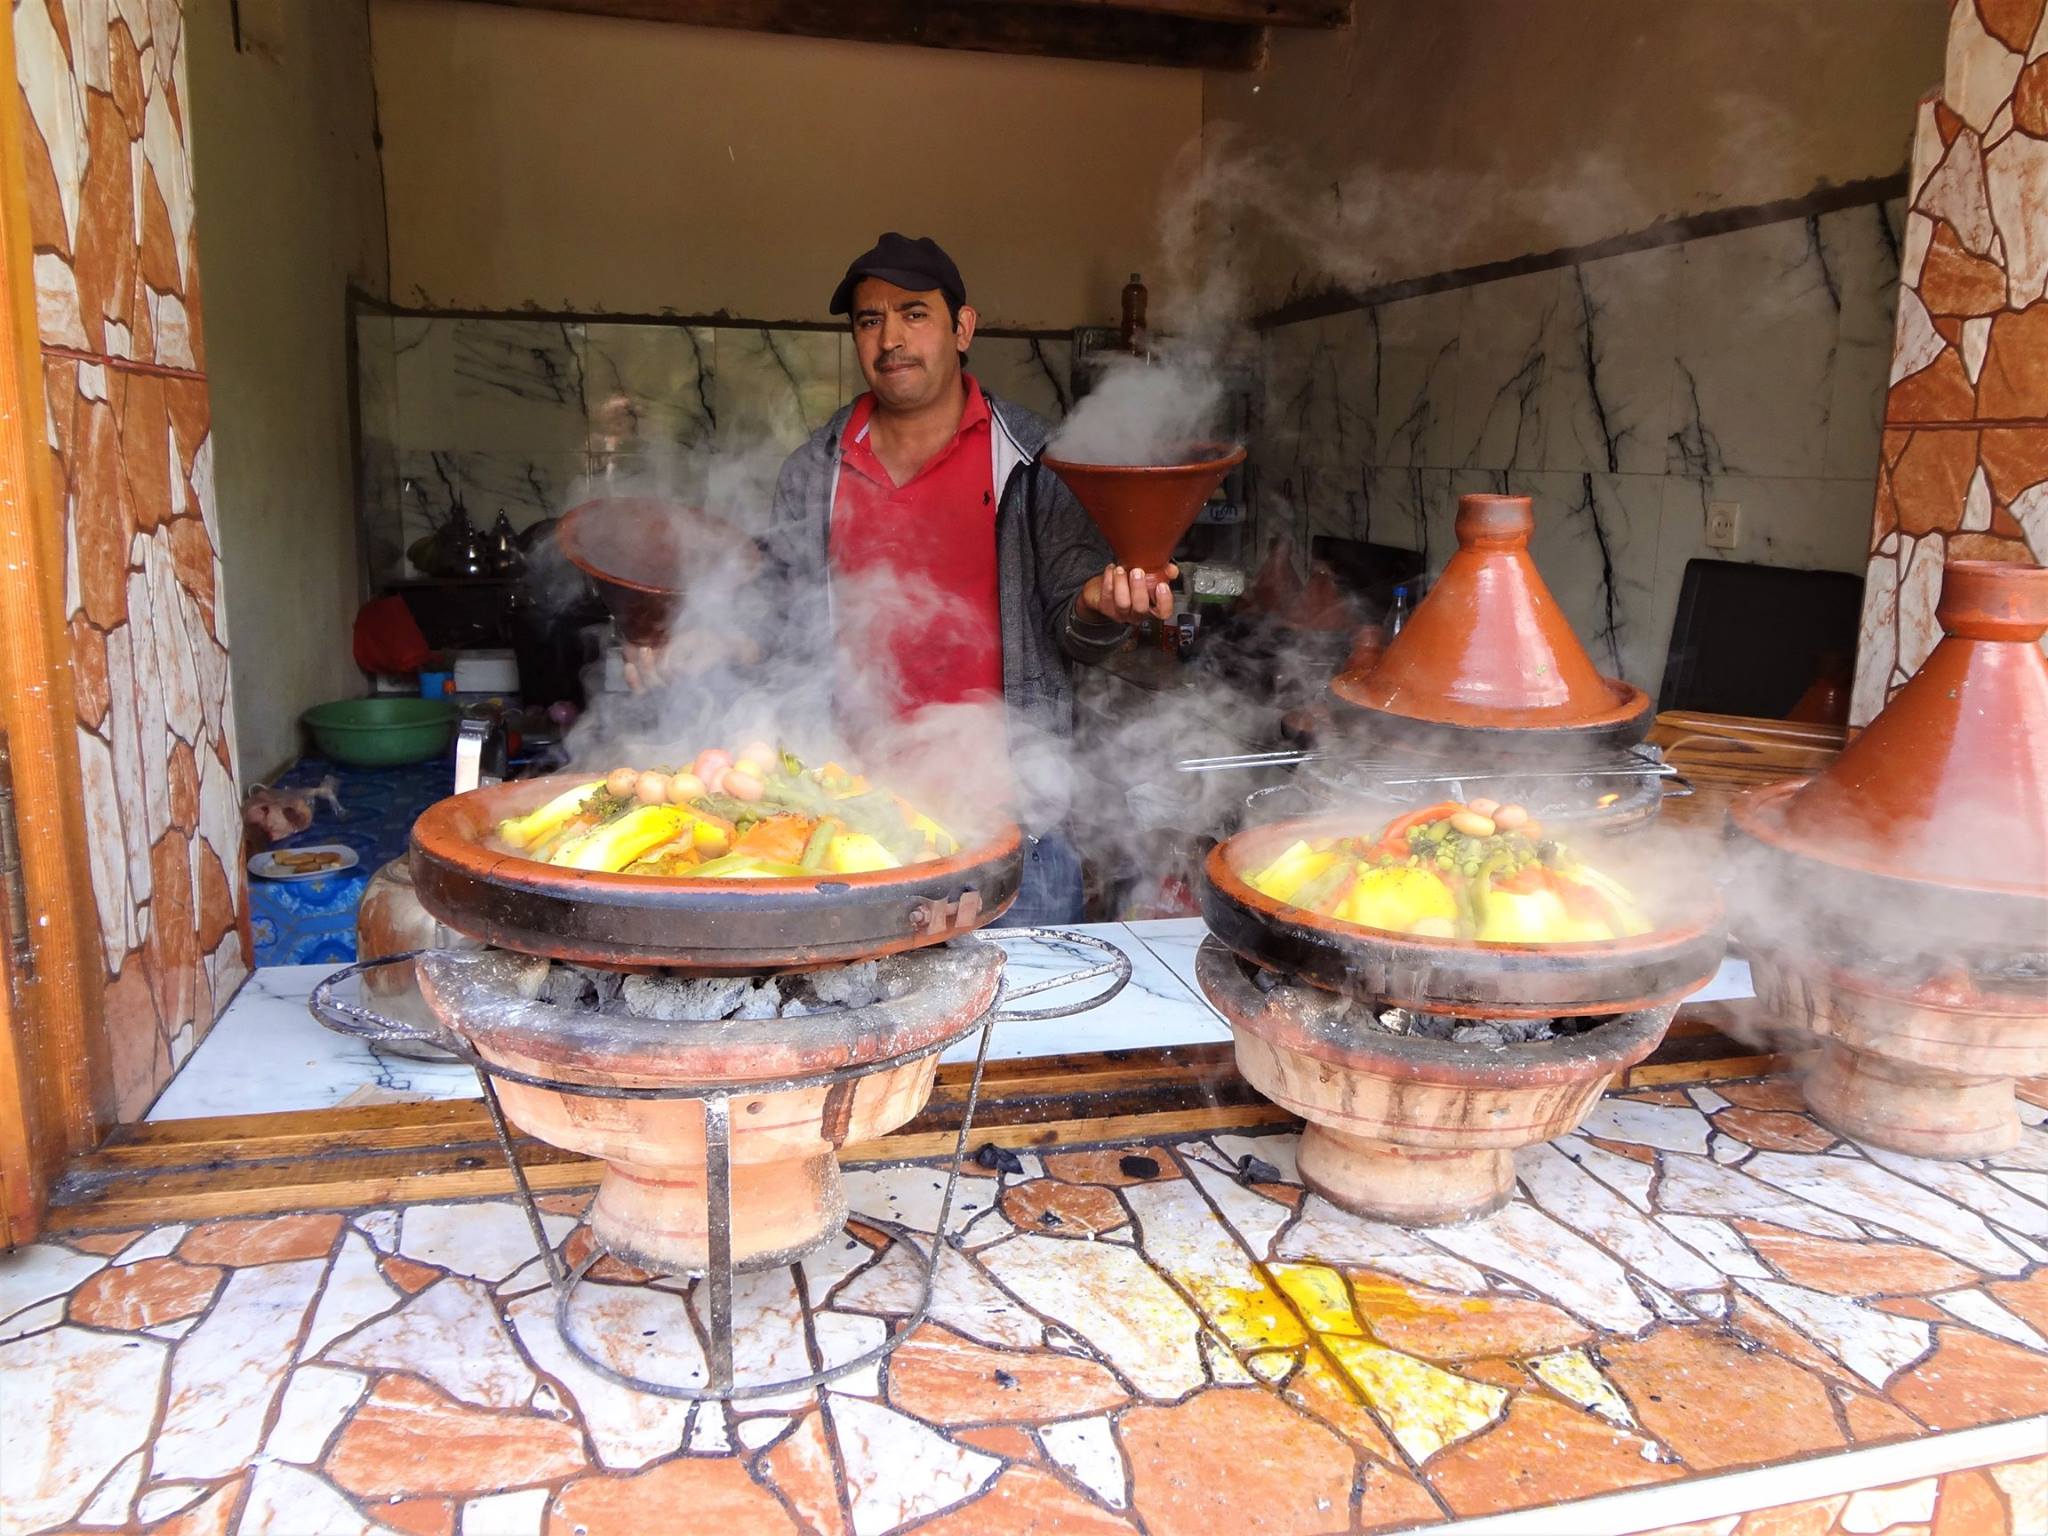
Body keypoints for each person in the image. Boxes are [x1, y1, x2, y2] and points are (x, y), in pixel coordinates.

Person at [764, 233, 1174, 924]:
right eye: (869, 320)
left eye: (914, 313)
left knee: (1024, 1027)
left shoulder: (1036, 458)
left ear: (962, 327)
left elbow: (1076, 623)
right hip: (851, 831)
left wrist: (1103, 606)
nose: (889, 337)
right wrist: (693, 636)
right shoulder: (816, 470)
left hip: (1013, 831)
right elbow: (776, 624)